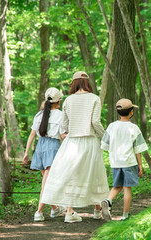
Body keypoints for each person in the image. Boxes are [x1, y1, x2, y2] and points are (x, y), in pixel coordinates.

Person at [41, 71, 109, 223]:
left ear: (74, 83)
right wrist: (105, 136)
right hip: (90, 140)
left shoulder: (68, 100)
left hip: (72, 142)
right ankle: (97, 210)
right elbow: (96, 122)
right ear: (87, 83)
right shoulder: (94, 98)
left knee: (72, 175)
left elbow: (64, 125)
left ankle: (69, 212)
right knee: (94, 173)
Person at [22, 87, 66, 222]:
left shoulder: (39, 115)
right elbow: (64, 135)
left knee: (47, 182)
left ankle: (54, 209)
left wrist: (26, 152)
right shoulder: (61, 115)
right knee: (46, 183)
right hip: (52, 147)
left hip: (40, 147)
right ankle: (39, 212)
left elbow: (32, 135)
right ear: (59, 100)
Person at [100, 98, 148, 221]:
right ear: (131, 111)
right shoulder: (134, 128)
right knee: (127, 188)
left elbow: (104, 145)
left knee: (117, 186)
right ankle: (125, 215)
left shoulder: (111, 126)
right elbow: (138, 149)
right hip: (129, 162)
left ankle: (108, 200)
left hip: (115, 162)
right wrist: (140, 165)